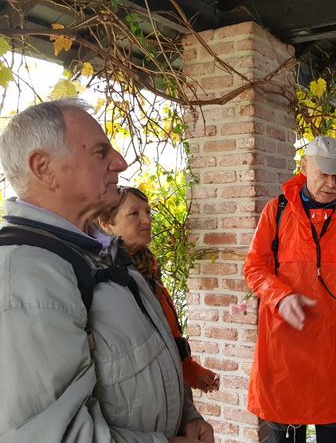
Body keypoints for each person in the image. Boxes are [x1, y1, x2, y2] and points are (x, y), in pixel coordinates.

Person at [0, 99, 213, 442]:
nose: (121, 162)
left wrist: (187, 415)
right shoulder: (26, 277)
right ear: (43, 168)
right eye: (100, 153)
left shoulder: (103, 254)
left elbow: (155, 352)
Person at [244, 135, 336, 443]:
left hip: (332, 350)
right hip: (283, 353)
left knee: (335, 432)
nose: (331, 183)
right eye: (324, 173)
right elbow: (254, 268)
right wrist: (281, 295)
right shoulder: (275, 212)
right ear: (304, 167)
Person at [98, 186, 220, 392]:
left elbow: (164, 332)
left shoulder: (147, 266)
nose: (147, 220)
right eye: (134, 214)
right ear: (107, 224)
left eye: (147, 212)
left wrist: (190, 371)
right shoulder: (107, 276)